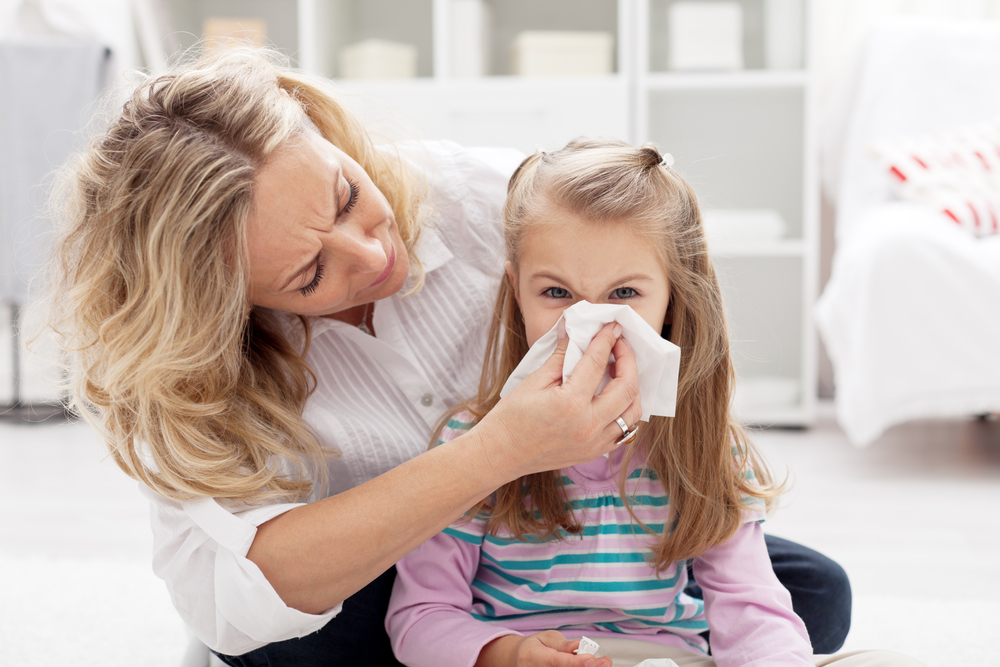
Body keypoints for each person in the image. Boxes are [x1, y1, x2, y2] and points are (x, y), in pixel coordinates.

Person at [43, 48, 846, 666]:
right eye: (309, 273)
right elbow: (235, 599)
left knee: (813, 594)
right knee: (298, 644)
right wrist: (498, 450)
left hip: (550, 535)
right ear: (226, 301)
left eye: (349, 196)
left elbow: (648, 265)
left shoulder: (493, 204)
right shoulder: (185, 369)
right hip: (379, 570)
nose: (371, 253)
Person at [385, 139, 921, 667]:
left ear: (672, 299)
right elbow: (420, 618)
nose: (589, 323)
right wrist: (510, 653)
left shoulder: (701, 446)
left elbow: (752, 609)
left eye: (624, 294)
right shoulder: (469, 442)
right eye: (556, 293)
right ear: (517, 289)